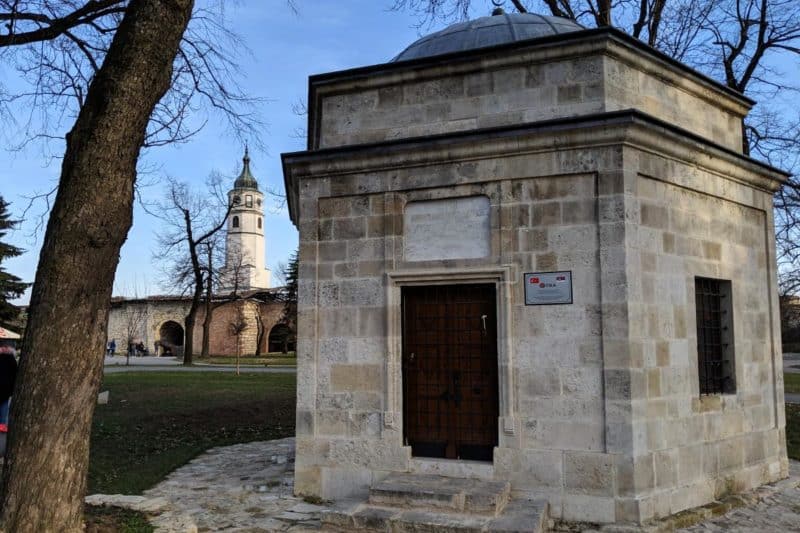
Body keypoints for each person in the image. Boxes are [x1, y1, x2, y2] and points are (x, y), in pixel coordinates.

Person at [0, 345, 18, 425]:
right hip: (6, 387)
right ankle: (2, 424)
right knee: (4, 405)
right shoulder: (12, 359)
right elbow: (15, 374)